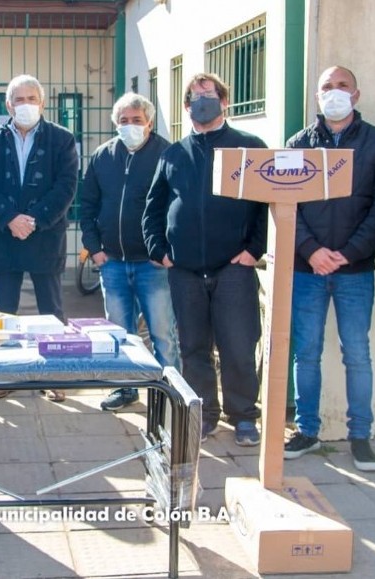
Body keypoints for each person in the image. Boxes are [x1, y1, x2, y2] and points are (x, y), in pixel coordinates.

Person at [143, 73, 266, 446]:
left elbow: (265, 206)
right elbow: (154, 207)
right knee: (194, 347)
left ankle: (243, 416)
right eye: (195, 97)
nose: (202, 101)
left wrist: (254, 250)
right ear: (186, 107)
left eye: (209, 94)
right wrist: (158, 251)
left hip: (233, 267)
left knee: (238, 345)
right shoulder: (174, 154)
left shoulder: (249, 148)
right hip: (184, 271)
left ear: (224, 101)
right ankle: (204, 413)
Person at [283, 66, 375, 472]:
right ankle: (307, 430)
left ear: (357, 93)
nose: (335, 92)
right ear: (317, 98)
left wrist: (347, 253)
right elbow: (286, 206)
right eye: (327, 87)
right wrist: (312, 251)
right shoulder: (297, 144)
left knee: (357, 354)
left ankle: (360, 436)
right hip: (307, 269)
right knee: (306, 353)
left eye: (342, 86)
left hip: (355, 270)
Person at [0, 74, 78, 403]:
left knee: (51, 310)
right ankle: (6, 374)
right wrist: (8, 219)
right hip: (5, 236)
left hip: (45, 235)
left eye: (32, 98)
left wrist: (34, 220)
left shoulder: (62, 139)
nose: (26, 105)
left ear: (43, 102)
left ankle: (54, 376)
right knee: (4, 310)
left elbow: (67, 184)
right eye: (19, 99)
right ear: (8, 105)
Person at [80, 92, 180, 411]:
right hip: (112, 262)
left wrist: (164, 250)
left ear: (149, 122)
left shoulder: (168, 154)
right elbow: (88, 205)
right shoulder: (102, 157)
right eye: (123, 121)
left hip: (154, 264)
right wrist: (94, 248)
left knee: (162, 333)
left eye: (137, 120)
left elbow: (178, 207)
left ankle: (170, 393)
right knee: (119, 333)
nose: (130, 126)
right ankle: (125, 388)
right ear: (115, 124)